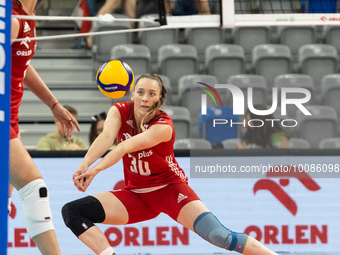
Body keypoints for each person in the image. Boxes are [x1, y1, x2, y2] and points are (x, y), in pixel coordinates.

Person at [62, 74, 278, 255]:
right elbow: (106, 137)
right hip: (136, 194)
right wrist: (85, 164)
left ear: (159, 99)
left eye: (151, 94)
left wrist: (95, 170)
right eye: (140, 92)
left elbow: (123, 147)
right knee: (73, 211)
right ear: (132, 93)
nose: (144, 98)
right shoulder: (119, 110)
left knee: (219, 236)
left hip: (169, 190)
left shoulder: (163, 126)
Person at [11, 0, 80, 254]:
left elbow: (22, 64)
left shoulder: (30, 14)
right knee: (33, 188)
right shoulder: (10, 17)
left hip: (11, 116)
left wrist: (53, 104)